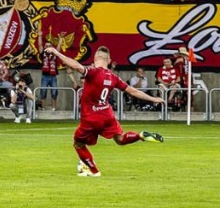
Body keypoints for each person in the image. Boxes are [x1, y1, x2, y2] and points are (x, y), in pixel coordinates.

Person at [44, 45, 165, 177]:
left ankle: (94, 171)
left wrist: (56, 52)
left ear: (95, 58)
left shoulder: (93, 72)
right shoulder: (114, 77)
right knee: (120, 139)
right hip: (107, 116)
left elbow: (77, 66)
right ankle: (140, 135)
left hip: (91, 117)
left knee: (78, 144)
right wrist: (153, 98)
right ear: (109, 60)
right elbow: (133, 91)